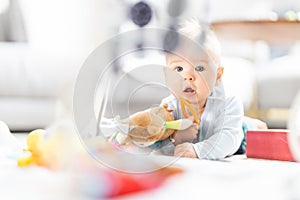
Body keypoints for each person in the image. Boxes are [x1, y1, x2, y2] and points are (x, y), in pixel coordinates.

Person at [159, 19, 267, 159]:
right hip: (206, 133)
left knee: (249, 131)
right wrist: (175, 139)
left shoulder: (228, 101)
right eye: (178, 69)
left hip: (237, 134)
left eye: (199, 68)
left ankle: (251, 124)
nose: (187, 76)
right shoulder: (169, 107)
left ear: (217, 76)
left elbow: (228, 140)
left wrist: (197, 151)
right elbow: (158, 138)